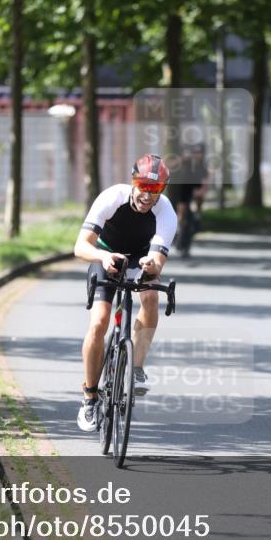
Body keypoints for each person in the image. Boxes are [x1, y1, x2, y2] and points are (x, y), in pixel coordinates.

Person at [73, 154, 178, 432]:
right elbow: (80, 246)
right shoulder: (112, 197)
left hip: (140, 259)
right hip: (106, 254)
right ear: (133, 182)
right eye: (143, 186)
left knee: (151, 295)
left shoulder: (166, 212)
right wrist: (102, 257)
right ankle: (90, 397)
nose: (147, 194)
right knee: (99, 322)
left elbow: (157, 261)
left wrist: (150, 264)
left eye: (155, 189)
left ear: (162, 190)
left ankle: (137, 368)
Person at [173, 144, 208, 257]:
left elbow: (204, 184)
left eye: (198, 153)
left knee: (191, 222)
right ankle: (179, 240)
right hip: (182, 195)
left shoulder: (202, 167)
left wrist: (199, 192)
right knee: (182, 219)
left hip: (194, 197)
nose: (196, 155)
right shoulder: (185, 163)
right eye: (194, 153)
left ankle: (185, 245)